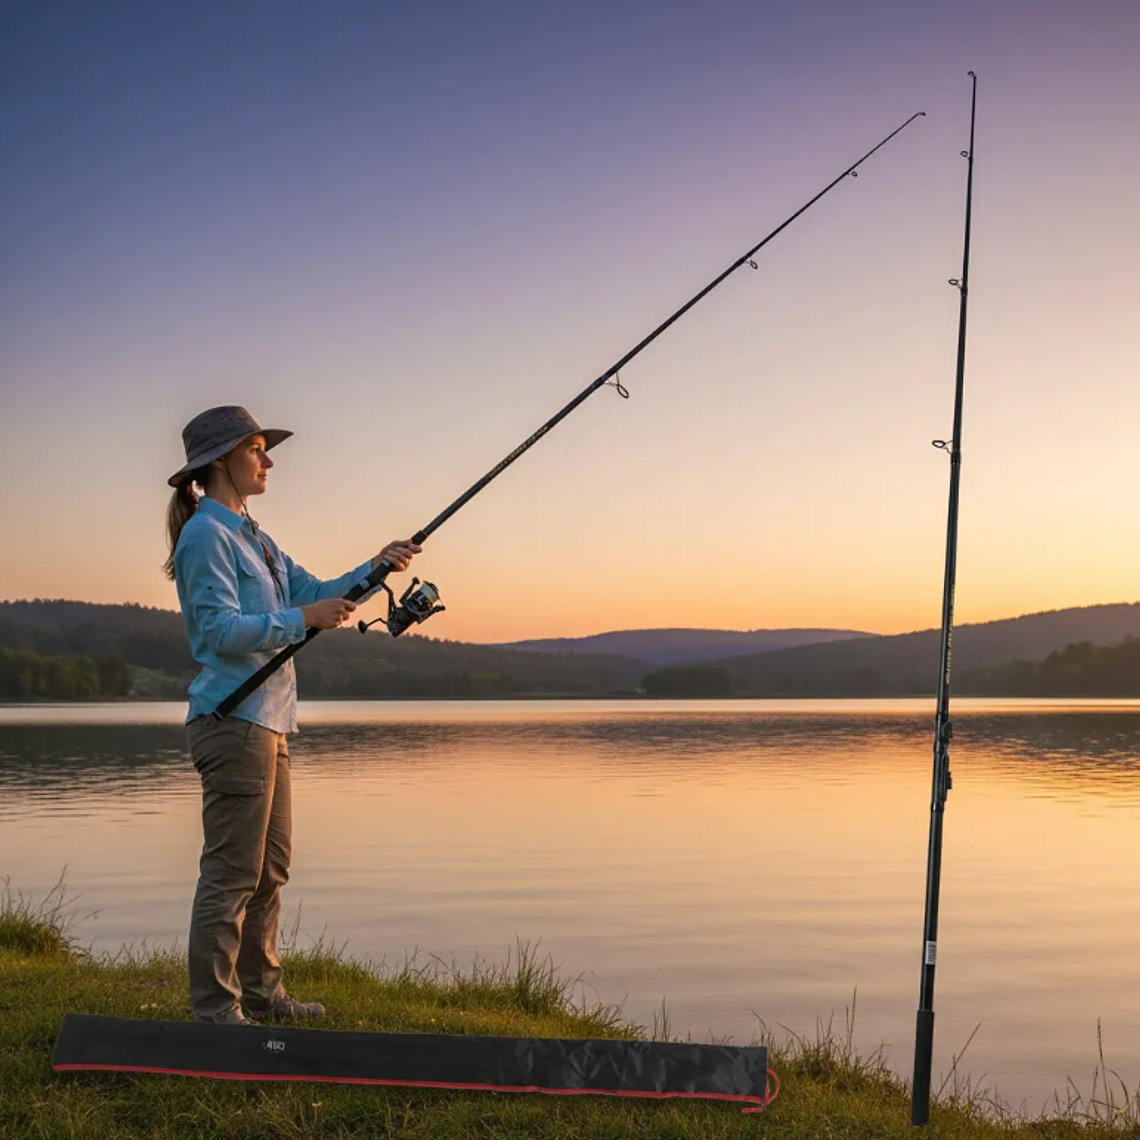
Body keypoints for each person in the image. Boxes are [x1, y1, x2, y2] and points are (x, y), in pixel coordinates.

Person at [164, 405, 420, 1024]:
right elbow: (219, 631)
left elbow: (317, 592)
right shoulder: (205, 535)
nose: (269, 460)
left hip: (270, 723)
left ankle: (263, 997)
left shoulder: (256, 538)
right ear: (220, 462)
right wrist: (302, 620)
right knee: (232, 873)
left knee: (270, 869)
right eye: (256, 449)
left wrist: (377, 567)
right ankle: (215, 1015)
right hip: (233, 722)